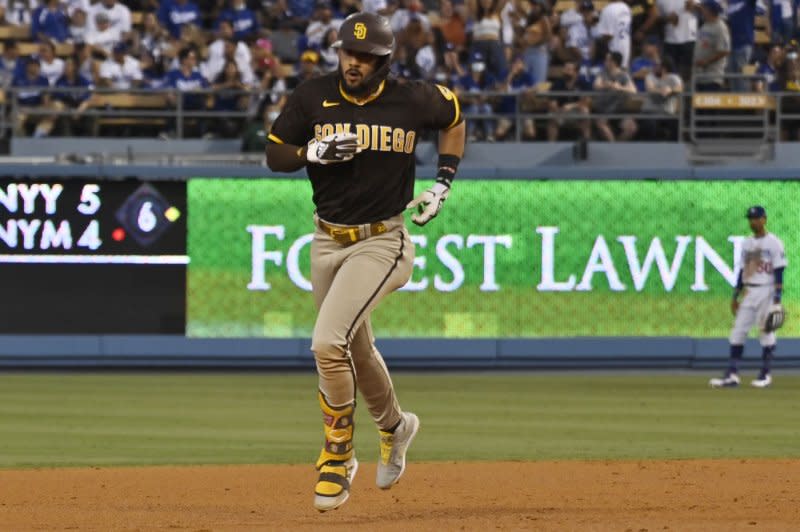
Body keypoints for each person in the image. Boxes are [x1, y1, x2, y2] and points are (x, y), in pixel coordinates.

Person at [265, 11, 465, 513]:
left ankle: (337, 456)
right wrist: (311, 151)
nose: (353, 62)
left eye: (365, 56)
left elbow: (454, 117)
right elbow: (273, 153)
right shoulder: (313, 95)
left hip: (383, 239)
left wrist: (443, 183)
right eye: (347, 52)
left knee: (325, 342)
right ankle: (397, 428)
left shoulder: (412, 97)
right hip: (326, 239)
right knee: (353, 347)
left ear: (384, 60)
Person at [710, 206, 786, 389]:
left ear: (764, 219)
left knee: (766, 331)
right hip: (749, 292)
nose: (753, 222)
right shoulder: (747, 243)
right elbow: (743, 271)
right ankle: (732, 375)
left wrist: (777, 299)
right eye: (751, 219)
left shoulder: (774, 242)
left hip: (766, 291)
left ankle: (765, 374)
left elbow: (779, 270)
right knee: (738, 331)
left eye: (756, 218)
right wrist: (735, 295)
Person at [593, 50, 637, 141]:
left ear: (613, 62)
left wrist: (620, 88)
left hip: (619, 110)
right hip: (604, 109)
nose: (605, 62)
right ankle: (613, 147)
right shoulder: (603, 73)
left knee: (632, 128)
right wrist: (607, 85)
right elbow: (596, 85)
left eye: (607, 60)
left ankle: (618, 147)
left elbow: (633, 90)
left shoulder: (624, 75)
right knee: (601, 124)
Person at [547, 60, 592, 141]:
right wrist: (558, 110)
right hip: (561, 111)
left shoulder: (583, 83)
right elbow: (552, 103)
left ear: (576, 72)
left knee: (585, 111)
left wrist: (572, 106)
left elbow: (587, 101)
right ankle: (551, 146)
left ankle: (586, 143)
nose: (565, 72)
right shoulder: (558, 83)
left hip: (577, 111)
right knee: (552, 117)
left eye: (568, 69)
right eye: (565, 69)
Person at [640, 56, 682, 139]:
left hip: (666, 112)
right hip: (650, 111)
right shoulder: (650, 76)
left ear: (664, 67)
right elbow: (650, 89)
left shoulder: (673, 77)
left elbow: (679, 88)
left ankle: (673, 148)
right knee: (649, 124)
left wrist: (671, 90)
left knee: (676, 123)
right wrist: (661, 90)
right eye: (654, 65)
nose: (655, 67)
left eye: (657, 65)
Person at [693, 0, 729, 91]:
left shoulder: (720, 27)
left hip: (712, 76)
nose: (702, 10)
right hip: (700, 75)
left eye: (704, 8)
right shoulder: (705, 25)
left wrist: (706, 61)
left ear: (710, 11)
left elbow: (724, 51)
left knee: (709, 104)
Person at [52, 55, 93, 135]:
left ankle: (90, 142)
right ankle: (67, 143)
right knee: (63, 115)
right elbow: (58, 101)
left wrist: (79, 110)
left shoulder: (83, 80)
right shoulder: (60, 81)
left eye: (68, 65)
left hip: (81, 108)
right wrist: (70, 110)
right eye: (65, 65)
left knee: (93, 113)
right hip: (67, 108)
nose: (66, 67)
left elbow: (89, 97)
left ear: (75, 67)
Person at [657, 0, 697, 81]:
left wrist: (692, 6)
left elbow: (701, 8)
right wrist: (667, 18)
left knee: (687, 71)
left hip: (689, 39)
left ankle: (686, 92)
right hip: (670, 40)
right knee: (670, 71)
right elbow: (657, 17)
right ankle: (672, 91)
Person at [469, 0, 508, 79]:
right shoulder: (475, 14)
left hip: (495, 46)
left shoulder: (497, 13)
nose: (486, 1)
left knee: (501, 70)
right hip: (479, 46)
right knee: (477, 72)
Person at [725, 0, 758, 92]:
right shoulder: (730, 3)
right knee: (732, 77)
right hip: (731, 44)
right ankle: (735, 104)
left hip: (745, 43)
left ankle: (744, 104)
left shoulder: (748, 2)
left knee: (743, 76)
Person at [597, 0, 632, 67]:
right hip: (626, 50)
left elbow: (607, 35)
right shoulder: (626, 8)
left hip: (613, 53)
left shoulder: (608, 9)